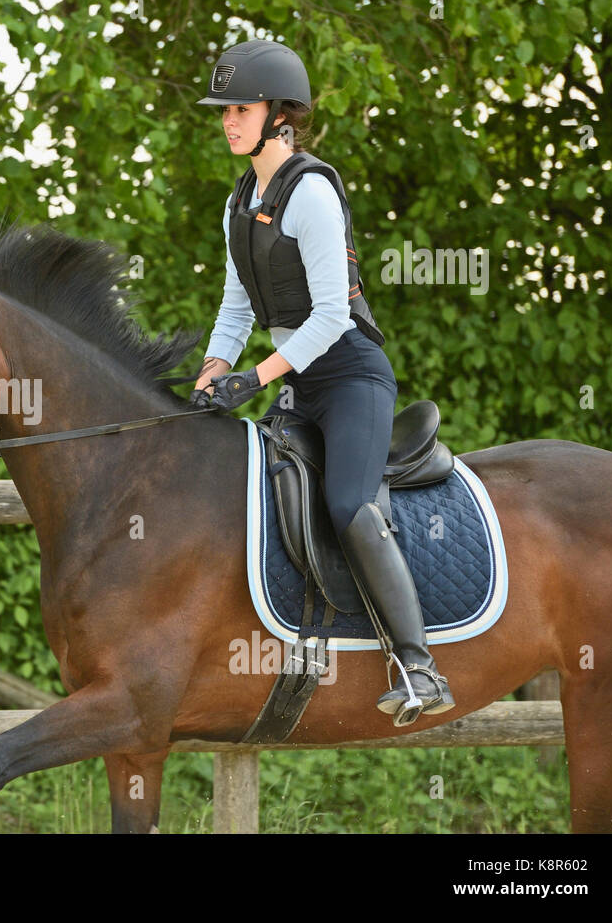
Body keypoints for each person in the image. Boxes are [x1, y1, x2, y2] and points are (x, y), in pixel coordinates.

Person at [190, 39, 455, 726]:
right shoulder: (239, 201)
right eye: (223, 111)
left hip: (349, 378)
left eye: (239, 108)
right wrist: (214, 371)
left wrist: (256, 374)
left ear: (280, 115)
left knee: (345, 503)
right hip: (296, 383)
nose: (227, 121)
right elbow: (236, 306)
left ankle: (420, 667)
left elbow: (333, 316)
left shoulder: (310, 192)